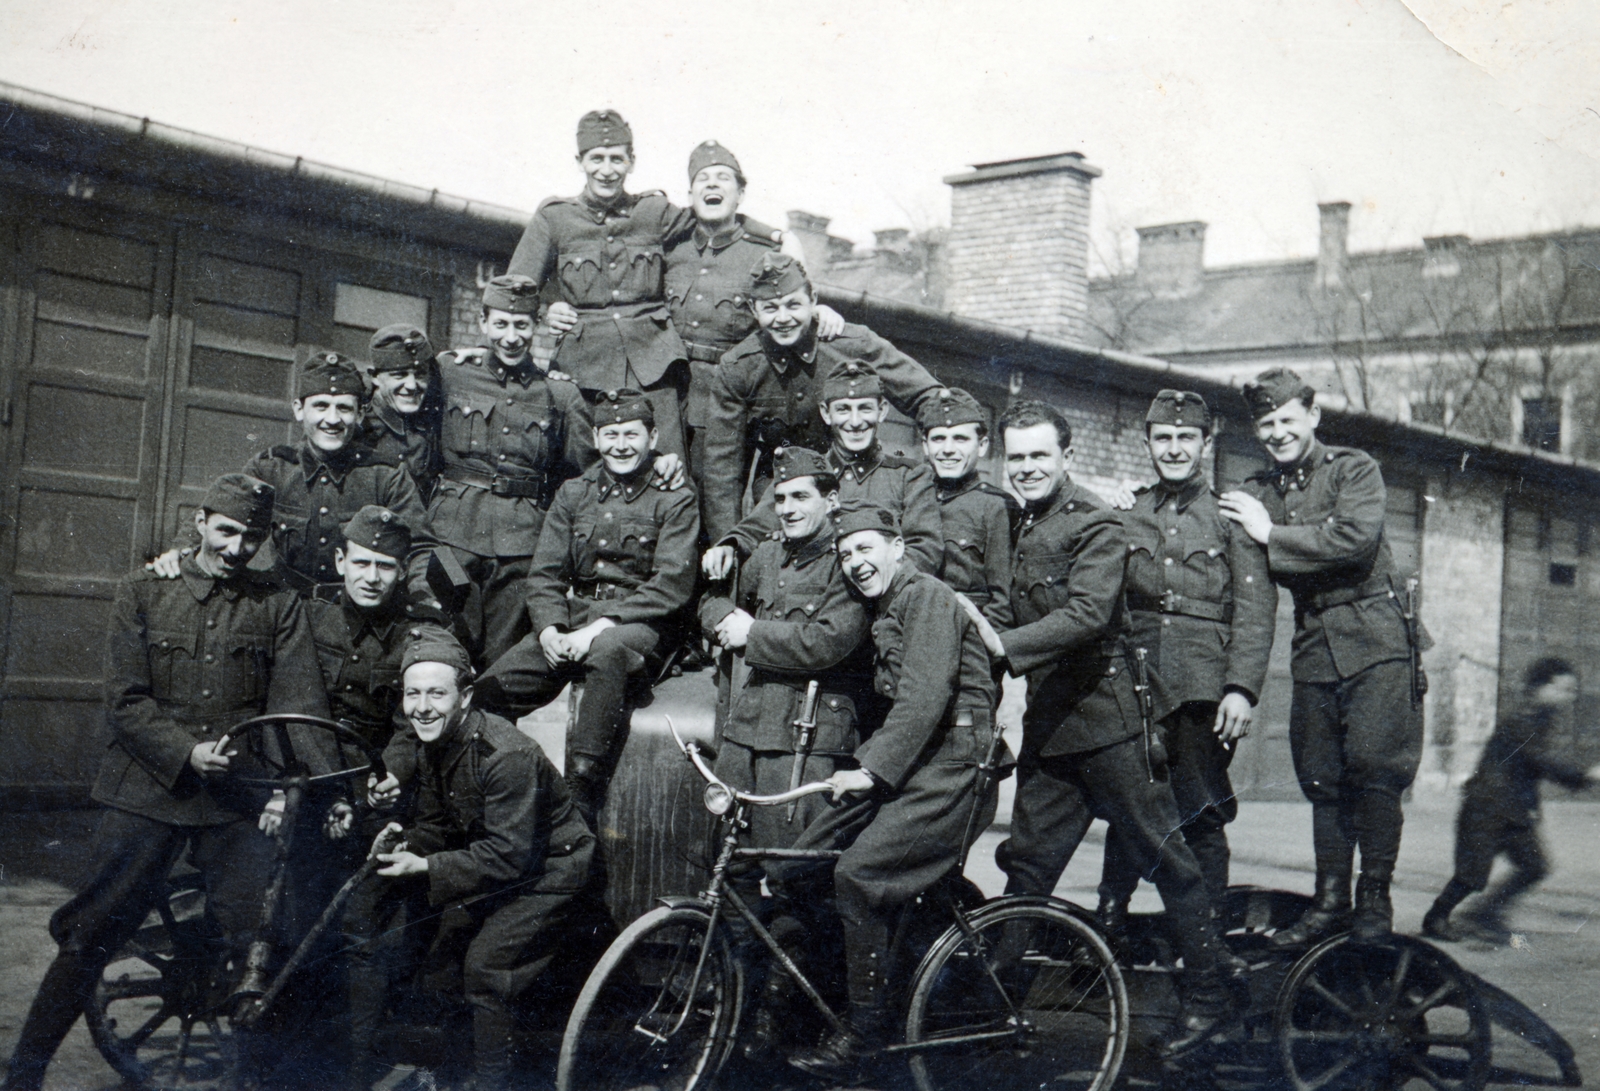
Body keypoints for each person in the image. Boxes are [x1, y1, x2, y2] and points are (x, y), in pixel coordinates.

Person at [1, 475, 334, 1091]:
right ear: (201, 522)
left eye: (252, 536)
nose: (237, 547)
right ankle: (24, 1073)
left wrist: (301, 787)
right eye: (227, 530)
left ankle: (257, 1079)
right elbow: (124, 702)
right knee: (93, 931)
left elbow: (297, 703)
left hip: (236, 799)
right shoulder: (142, 591)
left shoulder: (277, 604)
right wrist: (185, 753)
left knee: (263, 939)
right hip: (148, 790)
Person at [959, 399, 1237, 1057]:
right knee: (1027, 868)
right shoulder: (1012, 519)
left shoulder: (1097, 523)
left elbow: (1086, 613)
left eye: (1038, 455)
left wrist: (1000, 645)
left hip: (1112, 720)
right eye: (1016, 456)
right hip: (1054, 726)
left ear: (1064, 456)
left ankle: (1207, 997)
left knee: (1167, 856)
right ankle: (994, 1007)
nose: (1026, 467)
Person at [770, 504, 1001, 1077]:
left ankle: (866, 1031)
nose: (855, 562)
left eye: (866, 548)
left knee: (858, 876)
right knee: (795, 867)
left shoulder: (926, 596)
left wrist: (870, 772)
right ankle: (836, 999)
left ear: (898, 546)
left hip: (953, 767)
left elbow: (925, 697)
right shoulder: (886, 608)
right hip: (913, 766)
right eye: (846, 554)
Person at [1218, 367, 1426, 943]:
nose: (1278, 433)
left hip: (1378, 638)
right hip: (1315, 647)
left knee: (1376, 772)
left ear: (1313, 416)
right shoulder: (1258, 492)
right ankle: (1331, 900)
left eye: (1287, 420)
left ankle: (1374, 901)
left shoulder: (1353, 470)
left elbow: (1354, 539)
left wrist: (1272, 536)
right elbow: (1253, 593)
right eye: (1266, 424)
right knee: (1322, 779)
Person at [696, 445, 872, 1059]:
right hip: (744, 734)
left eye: (803, 496)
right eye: (781, 498)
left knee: (794, 877)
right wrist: (725, 616)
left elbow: (834, 642)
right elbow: (710, 599)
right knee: (731, 869)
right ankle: (739, 1002)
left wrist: (753, 634)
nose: (790, 508)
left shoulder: (847, 561)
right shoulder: (764, 553)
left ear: (831, 500)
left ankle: (784, 1011)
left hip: (806, 739)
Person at [362, 632, 597, 1091]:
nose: (422, 707)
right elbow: (437, 825)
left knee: (486, 969)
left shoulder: (505, 754)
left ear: (465, 696)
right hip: (500, 862)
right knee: (439, 956)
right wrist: (403, 841)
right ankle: (449, 1076)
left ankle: (492, 1084)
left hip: (551, 873)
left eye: (437, 693)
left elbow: (511, 855)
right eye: (413, 693)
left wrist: (427, 867)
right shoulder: (434, 742)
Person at [1097, 391, 1276, 964]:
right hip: (1136, 681)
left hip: (1202, 686)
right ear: (1147, 444)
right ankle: (1107, 920)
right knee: (1132, 803)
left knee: (1199, 810)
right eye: (1163, 439)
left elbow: (1254, 610)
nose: (1174, 449)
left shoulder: (1231, 517)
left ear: (1205, 443)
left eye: (1185, 439)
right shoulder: (1127, 510)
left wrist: (1241, 689)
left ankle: (1205, 940)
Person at [473, 390, 700, 825]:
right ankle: (511, 786)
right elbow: (545, 575)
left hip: (640, 622)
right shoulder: (574, 493)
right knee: (487, 694)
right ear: (595, 437)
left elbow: (671, 585)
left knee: (609, 650)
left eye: (631, 434)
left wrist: (593, 630)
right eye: (610, 434)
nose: (620, 445)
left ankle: (581, 787)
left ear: (653, 437)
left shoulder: (675, 497)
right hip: (571, 622)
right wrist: (549, 630)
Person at [701, 252, 946, 542]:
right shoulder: (739, 367)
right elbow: (722, 474)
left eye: (794, 304)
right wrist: (729, 546)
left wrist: (946, 452)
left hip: (853, 489)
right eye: (770, 308)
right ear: (754, 310)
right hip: (780, 504)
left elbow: (929, 397)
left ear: (813, 299)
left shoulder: (853, 344)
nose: (783, 318)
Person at [153, 352, 437, 598]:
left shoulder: (385, 475)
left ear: (360, 414)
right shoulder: (273, 467)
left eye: (344, 408)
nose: (333, 419)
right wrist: (179, 550)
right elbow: (224, 512)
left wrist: (423, 595)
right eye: (321, 406)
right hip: (285, 610)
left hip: (356, 613)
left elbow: (421, 547)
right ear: (299, 410)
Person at [507, 109, 696, 461]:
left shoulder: (653, 211)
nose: (606, 170)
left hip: (654, 363)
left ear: (631, 162)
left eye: (616, 159)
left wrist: (777, 235)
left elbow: (713, 219)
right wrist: (549, 306)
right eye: (596, 159)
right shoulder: (555, 217)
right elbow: (514, 290)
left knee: (667, 467)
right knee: (581, 467)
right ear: (580, 161)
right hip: (583, 368)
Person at [426, 274, 592, 672]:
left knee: (500, 669)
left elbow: (584, 477)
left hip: (521, 549)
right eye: (500, 324)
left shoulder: (560, 394)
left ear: (536, 326)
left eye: (521, 325)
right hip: (451, 538)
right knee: (440, 654)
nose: (511, 336)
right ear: (483, 323)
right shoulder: (449, 373)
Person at [663, 140, 844, 491]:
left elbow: (792, 302)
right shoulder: (671, 250)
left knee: (714, 495)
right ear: (690, 193)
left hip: (724, 400)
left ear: (741, 194)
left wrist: (818, 310)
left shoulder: (761, 255)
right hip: (668, 396)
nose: (712, 184)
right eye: (703, 179)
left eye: (723, 178)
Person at [706, 358, 943, 577]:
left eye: (865, 408)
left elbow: (924, 551)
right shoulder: (802, 470)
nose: (855, 421)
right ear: (825, 414)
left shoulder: (909, 477)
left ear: (882, 411)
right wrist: (730, 545)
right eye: (843, 409)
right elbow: (757, 527)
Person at [1423, 658, 1599, 945]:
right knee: (1471, 876)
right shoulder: (1521, 720)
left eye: (1572, 691)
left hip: (1512, 810)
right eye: (1563, 689)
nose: (1569, 697)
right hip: (1487, 808)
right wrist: (1584, 776)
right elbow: (1540, 760)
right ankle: (1436, 918)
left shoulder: (1539, 719)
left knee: (1534, 866)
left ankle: (1484, 914)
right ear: (1540, 687)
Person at [917, 386, 1017, 627]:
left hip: (965, 637)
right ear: (925, 445)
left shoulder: (997, 507)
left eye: (960, 439)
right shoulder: (913, 496)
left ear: (982, 446)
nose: (948, 449)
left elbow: (1003, 603)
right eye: (938, 438)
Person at [362, 324, 443, 499]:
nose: (412, 385)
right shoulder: (357, 425)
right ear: (375, 376)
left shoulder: (431, 422)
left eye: (420, 374)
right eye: (399, 375)